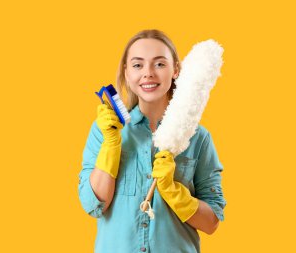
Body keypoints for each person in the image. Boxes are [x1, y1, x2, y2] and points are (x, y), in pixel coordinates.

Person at [78, 29, 226, 253]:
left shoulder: (198, 138)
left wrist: (173, 191)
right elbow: (93, 206)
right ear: (126, 72)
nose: (148, 73)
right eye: (138, 65)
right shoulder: (105, 130)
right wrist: (111, 146)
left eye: (159, 64)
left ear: (176, 70)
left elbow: (212, 223)